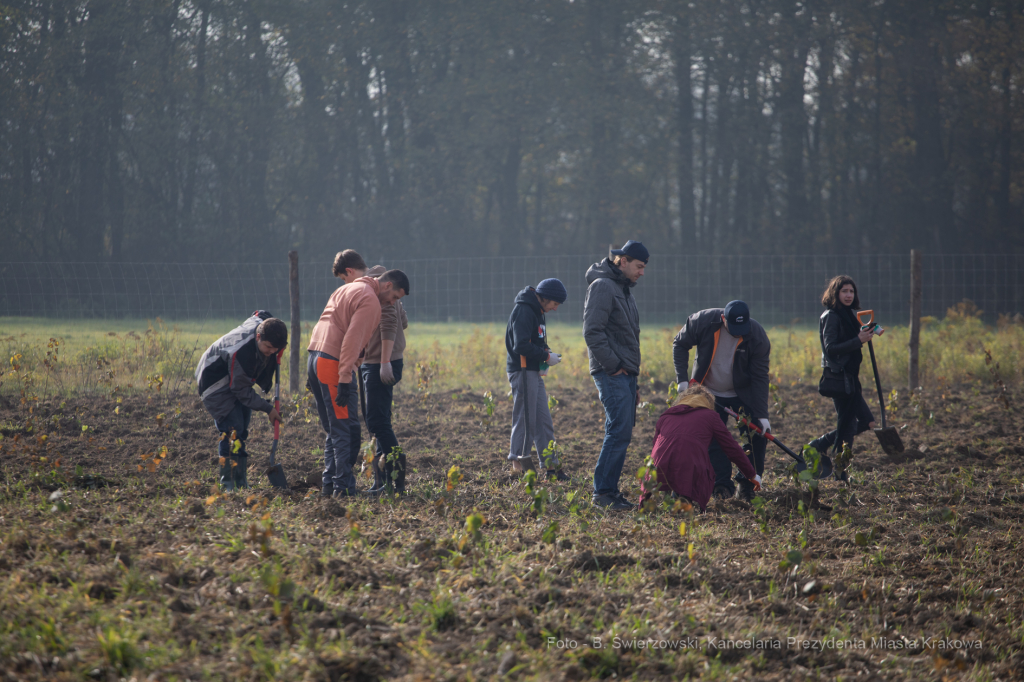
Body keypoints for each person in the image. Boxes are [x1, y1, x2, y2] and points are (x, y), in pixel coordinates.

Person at [308, 268, 410, 498]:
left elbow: (328, 324)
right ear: (386, 286)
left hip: (315, 356)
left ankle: (329, 486)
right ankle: (342, 489)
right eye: (393, 297)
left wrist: (318, 367)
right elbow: (353, 340)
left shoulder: (346, 288)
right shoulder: (370, 300)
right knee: (347, 430)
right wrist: (346, 376)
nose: (392, 303)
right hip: (334, 362)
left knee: (336, 430)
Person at [672, 300, 771, 502]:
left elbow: (760, 376)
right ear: (723, 318)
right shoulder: (702, 322)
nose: (738, 333)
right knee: (714, 439)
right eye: (733, 327)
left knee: (755, 438)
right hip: (708, 392)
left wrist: (762, 415)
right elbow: (679, 344)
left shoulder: (757, 335)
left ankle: (747, 486)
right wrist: (682, 380)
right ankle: (722, 485)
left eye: (742, 329)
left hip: (743, 394)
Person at [583, 240, 648, 511]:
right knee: (618, 431)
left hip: (625, 374)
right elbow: (592, 332)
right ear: (622, 261)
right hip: (611, 372)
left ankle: (609, 491)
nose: (642, 272)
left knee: (621, 432)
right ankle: (603, 494)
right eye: (639, 266)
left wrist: (632, 377)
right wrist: (613, 366)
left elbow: (626, 337)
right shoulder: (603, 287)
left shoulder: (623, 290)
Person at [195, 311, 286, 491]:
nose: (271, 353)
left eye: (276, 350)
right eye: (268, 347)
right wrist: (268, 409)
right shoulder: (243, 352)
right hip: (213, 383)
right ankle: (228, 483)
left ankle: (241, 482)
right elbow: (240, 390)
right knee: (232, 430)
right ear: (258, 336)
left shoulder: (264, 328)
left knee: (242, 429)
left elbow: (260, 314)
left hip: (234, 378)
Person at [639, 384, 761, 511]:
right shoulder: (711, 416)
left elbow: (655, 448)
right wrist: (751, 474)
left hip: (657, 467)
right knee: (692, 461)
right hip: (690, 467)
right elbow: (732, 449)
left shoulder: (665, 416)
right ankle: (684, 499)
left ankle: (648, 502)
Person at [806, 275, 878, 479]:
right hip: (839, 379)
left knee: (866, 422)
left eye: (851, 291)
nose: (848, 295)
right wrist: (858, 340)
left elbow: (854, 338)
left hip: (852, 377)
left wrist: (868, 332)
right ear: (835, 293)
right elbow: (831, 348)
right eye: (844, 291)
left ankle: (819, 446)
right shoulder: (831, 316)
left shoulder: (849, 315)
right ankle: (839, 472)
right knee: (849, 426)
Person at [505, 278, 570, 481]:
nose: (555, 309)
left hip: (533, 371)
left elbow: (538, 339)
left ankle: (551, 467)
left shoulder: (539, 311)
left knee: (543, 420)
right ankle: (517, 465)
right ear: (546, 298)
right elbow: (521, 345)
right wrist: (544, 357)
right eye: (555, 304)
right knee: (525, 419)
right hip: (522, 370)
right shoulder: (525, 310)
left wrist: (547, 352)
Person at [361, 264, 410, 495]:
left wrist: (384, 360)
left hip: (379, 363)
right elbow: (405, 321)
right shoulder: (373, 287)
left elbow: (391, 323)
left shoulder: (381, 294)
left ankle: (395, 481)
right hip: (372, 361)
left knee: (377, 423)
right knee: (377, 422)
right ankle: (382, 482)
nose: (393, 301)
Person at [331, 250, 370, 474]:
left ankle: (341, 479)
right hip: (355, 362)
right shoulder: (364, 289)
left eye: (344, 279)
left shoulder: (370, 289)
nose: (344, 285)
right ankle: (341, 479)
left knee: (351, 424)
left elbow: (354, 337)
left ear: (349, 271)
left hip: (367, 362)